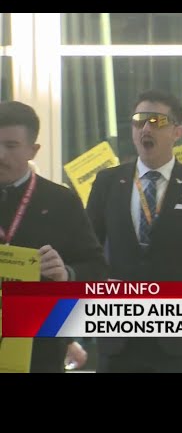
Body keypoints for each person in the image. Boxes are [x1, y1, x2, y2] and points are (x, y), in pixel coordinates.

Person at [86, 89, 182, 373]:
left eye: (156, 121)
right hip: (118, 332)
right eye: (138, 120)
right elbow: (88, 250)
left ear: (177, 132)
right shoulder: (108, 182)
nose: (145, 128)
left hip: (176, 335)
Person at [0, 100, 109, 373]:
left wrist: (66, 273)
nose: (0, 155)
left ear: (33, 150)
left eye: (11, 146)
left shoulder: (61, 201)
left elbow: (96, 268)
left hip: (40, 350)